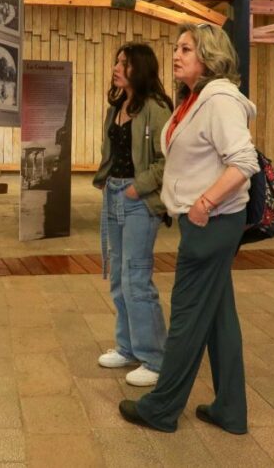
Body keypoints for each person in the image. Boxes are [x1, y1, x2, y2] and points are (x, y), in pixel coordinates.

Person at [118, 23, 258, 433]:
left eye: (186, 49)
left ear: (209, 57)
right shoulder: (194, 99)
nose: (176, 55)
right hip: (207, 222)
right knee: (218, 319)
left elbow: (244, 161)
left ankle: (161, 408)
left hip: (212, 222)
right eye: (176, 48)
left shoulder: (219, 100)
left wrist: (204, 202)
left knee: (185, 316)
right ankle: (230, 409)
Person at [93, 43, 173, 387]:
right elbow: (111, 151)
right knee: (118, 276)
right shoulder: (116, 107)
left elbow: (167, 160)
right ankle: (127, 347)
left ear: (139, 68)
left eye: (124, 63)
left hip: (139, 200)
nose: (116, 67)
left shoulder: (156, 108)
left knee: (136, 277)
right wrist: (107, 180)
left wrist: (136, 188)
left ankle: (154, 358)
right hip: (113, 194)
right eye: (116, 61)